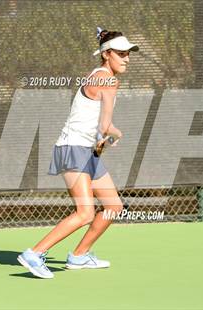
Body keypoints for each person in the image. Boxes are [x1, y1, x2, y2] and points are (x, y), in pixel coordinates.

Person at [17, 27, 139, 279]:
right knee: (85, 212)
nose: (127, 58)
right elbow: (105, 126)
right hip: (73, 149)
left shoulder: (98, 75)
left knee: (113, 206)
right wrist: (114, 133)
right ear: (106, 54)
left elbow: (97, 124)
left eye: (129, 53)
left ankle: (80, 255)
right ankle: (34, 253)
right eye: (121, 53)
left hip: (84, 149)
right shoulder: (108, 79)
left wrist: (109, 134)